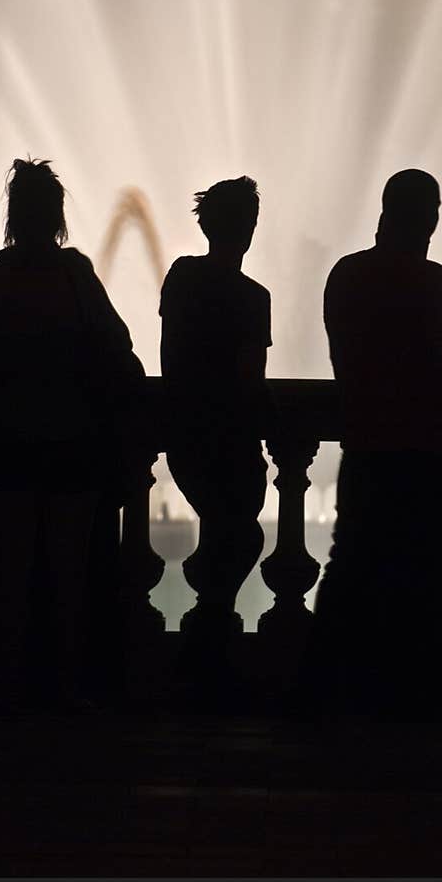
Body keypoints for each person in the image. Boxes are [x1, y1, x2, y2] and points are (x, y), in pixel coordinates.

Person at [0, 158, 145, 704]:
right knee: (70, 576)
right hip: (73, 448)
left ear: (13, 219)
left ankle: (10, 686)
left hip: (7, 452)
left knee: (10, 576)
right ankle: (67, 686)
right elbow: (119, 348)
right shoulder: (77, 280)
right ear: (57, 218)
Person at [312, 170, 442, 676]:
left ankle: (328, 680)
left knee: (351, 563)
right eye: (434, 211)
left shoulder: (346, 274)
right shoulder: (431, 279)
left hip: (364, 441)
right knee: (424, 570)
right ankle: (412, 684)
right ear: (424, 216)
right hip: (423, 449)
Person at [160, 177, 270, 647]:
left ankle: (207, 625)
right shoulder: (253, 298)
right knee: (240, 534)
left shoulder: (182, 276)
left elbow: (170, 357)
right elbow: (251, 380)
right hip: (231, 439)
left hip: (188, 432)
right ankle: (211, 627)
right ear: (249, 229)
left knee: (229, 533)